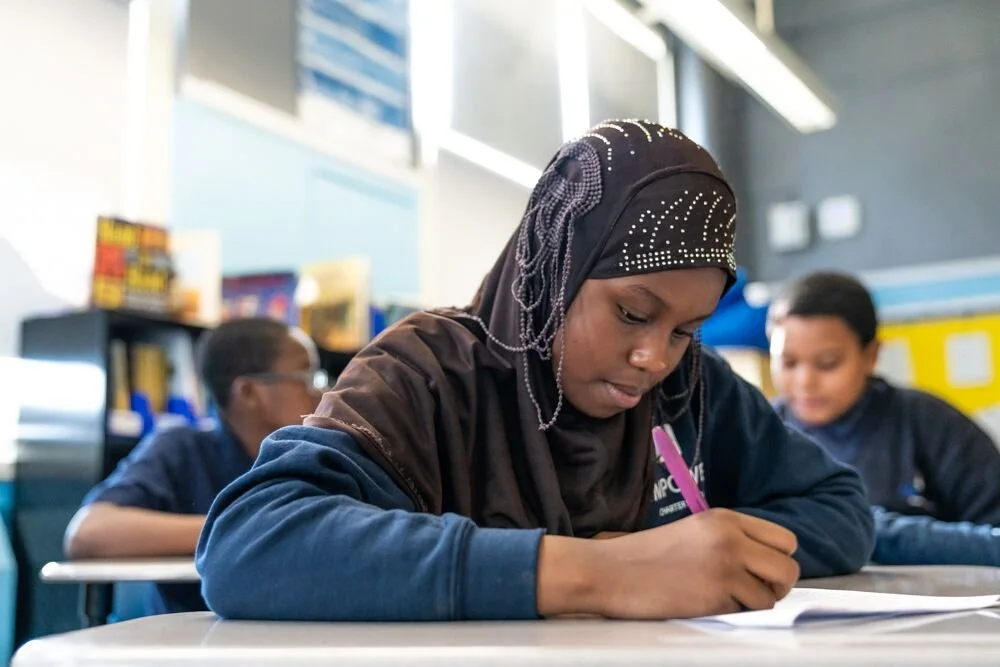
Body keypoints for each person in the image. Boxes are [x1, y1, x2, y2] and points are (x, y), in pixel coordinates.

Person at [197, 121, 873, 622]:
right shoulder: (427, 372)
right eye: (633, 313)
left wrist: (705, 553)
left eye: (685, 329)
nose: (656, 357)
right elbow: (248, 540)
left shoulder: (688, 386)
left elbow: (841, 510)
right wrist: (598, 571)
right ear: (556, 271)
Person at [64, 317, 325, 614]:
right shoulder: (182, 449)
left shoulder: (314, 455)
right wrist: (245, 529)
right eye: (307, 376)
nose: (321, 392)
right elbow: (87, 533)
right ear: (249, 392)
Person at [769, 270, 1000, 565]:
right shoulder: (761, 434)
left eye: (828, 364)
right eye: (788, 363)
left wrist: (860, 530)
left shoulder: (928, 423)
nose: (805, 382)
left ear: (871, 356)